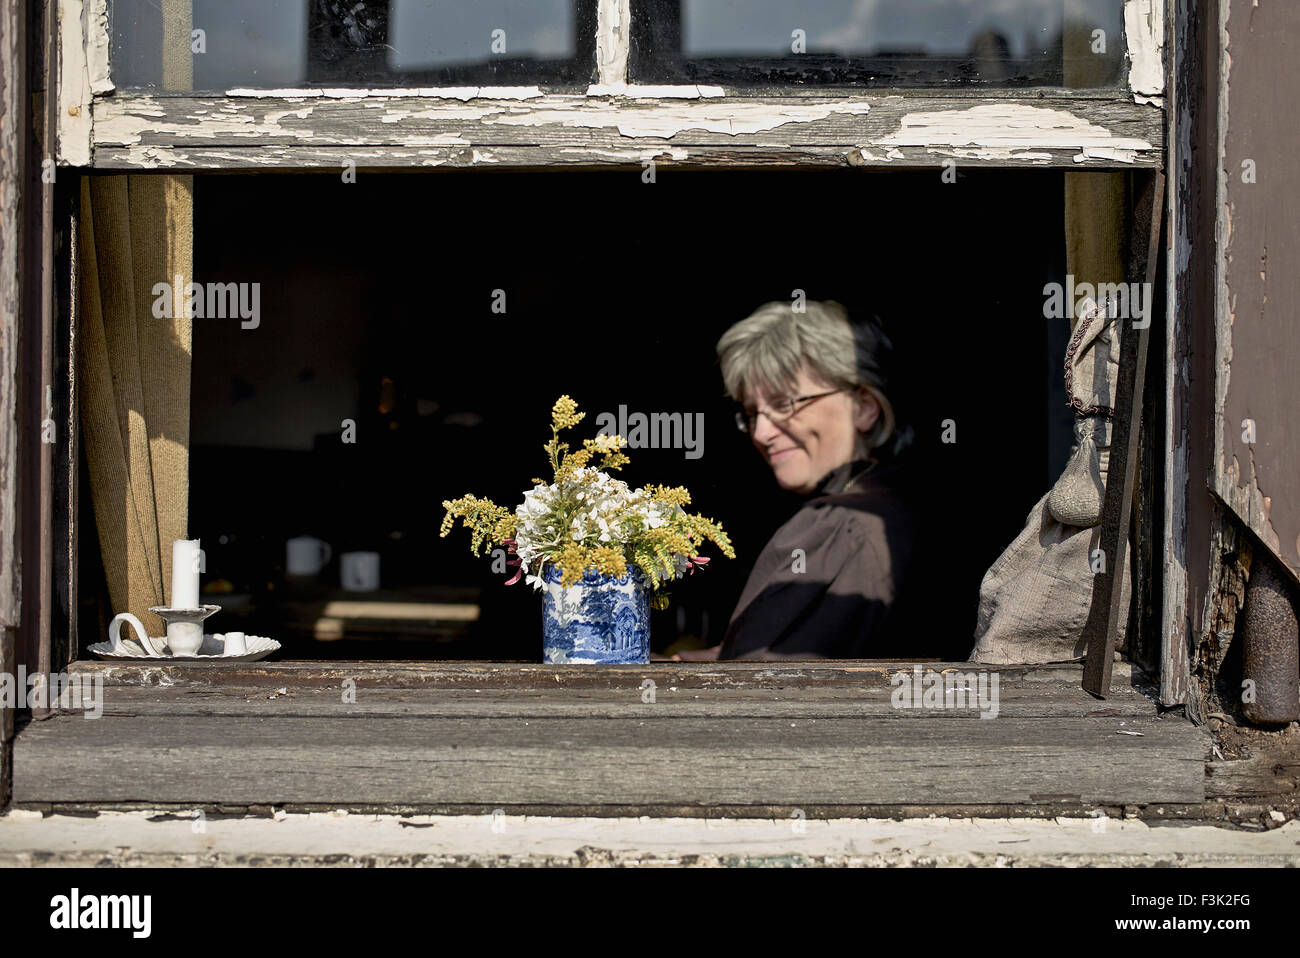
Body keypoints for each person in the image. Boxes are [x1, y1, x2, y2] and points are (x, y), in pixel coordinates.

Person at [676, 300, 917, 660]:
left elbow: (759, 693)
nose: (762, 432)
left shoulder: (841, 526)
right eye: (752, 412)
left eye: (785, 403)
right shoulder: (897, 503)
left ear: (864, 406)